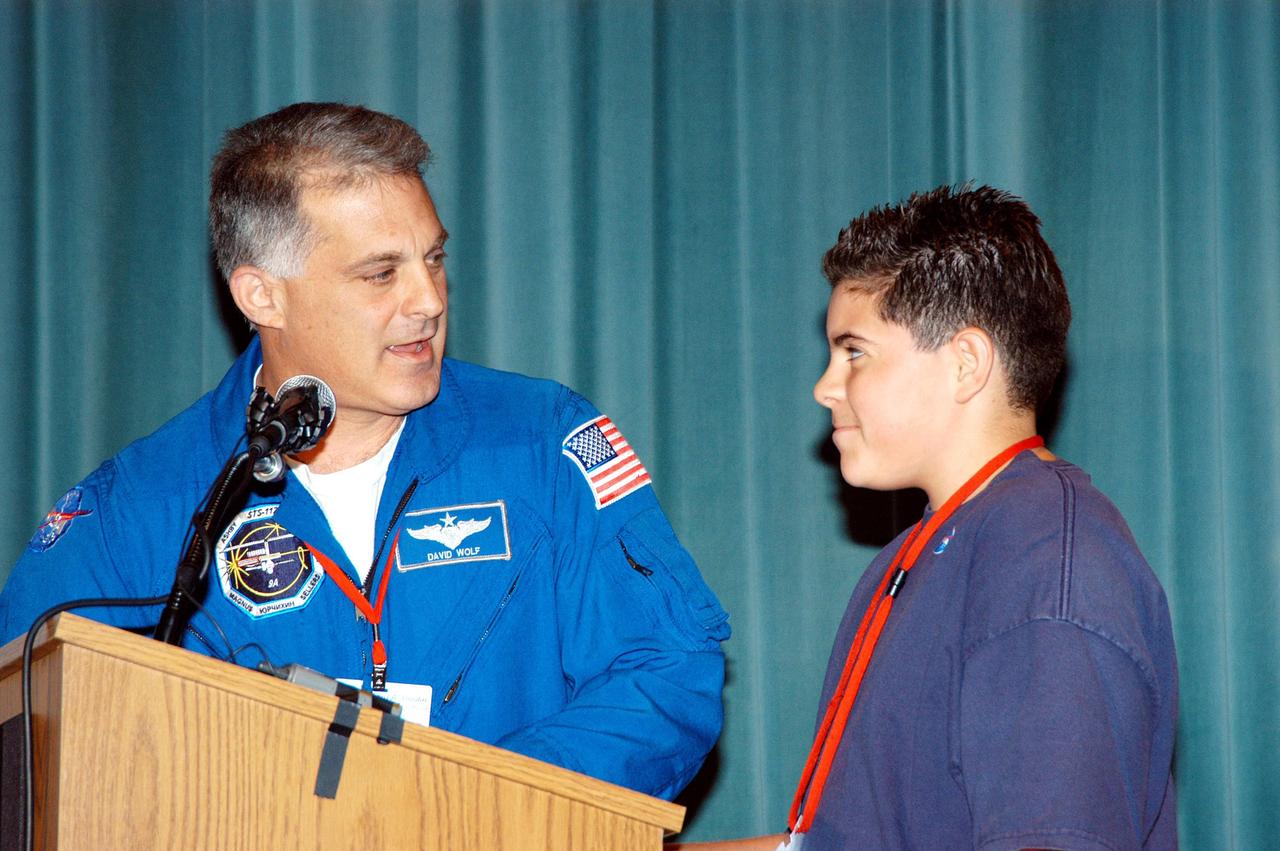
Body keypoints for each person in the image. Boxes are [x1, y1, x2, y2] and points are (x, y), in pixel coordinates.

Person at [0, 102, 729, 801]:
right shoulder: (139, 506)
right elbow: (34, 739)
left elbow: (666, 670)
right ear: (262, 295)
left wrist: (464, 803)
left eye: (433, 259)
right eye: (381, 274)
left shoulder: (542, 442)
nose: (428, 300)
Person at [670, 185, 1176, 849]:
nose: (824, 386)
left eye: (854, 352)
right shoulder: (914, 554)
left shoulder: (1051, 565)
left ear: (965, 363)